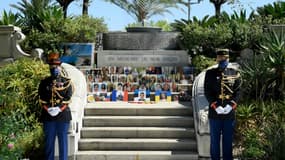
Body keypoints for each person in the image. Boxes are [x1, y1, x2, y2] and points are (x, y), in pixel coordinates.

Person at [204, 48, 241, 160]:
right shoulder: (210, 73)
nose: (222, 60)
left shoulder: (235, 73)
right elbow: (207, 91)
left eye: (225, 58)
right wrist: (216, 106)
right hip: (215, 113)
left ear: (228, 59)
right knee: (214, 141)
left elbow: (239, 91)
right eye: (220, 58)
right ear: (217, 59)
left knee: (228, 141)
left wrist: (231, 106)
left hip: (229, 113)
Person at [38, 53, 73, 160]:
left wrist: (59, 109)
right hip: (48, 116)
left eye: (56, 66)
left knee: (63, 142)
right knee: (49, 143)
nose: (54, 68)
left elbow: (68, 98)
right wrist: (48, 109)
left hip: (62, 116)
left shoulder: (66, 82)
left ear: (60, 66)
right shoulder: (44, 82)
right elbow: (42, 99)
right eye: (51, 66)